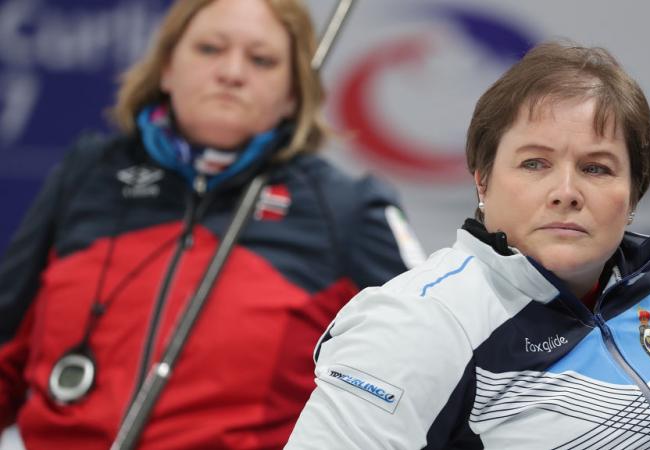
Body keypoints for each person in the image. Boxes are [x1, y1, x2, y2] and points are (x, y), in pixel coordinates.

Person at [0, 0, 423, 448]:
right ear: (166, 67)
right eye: (209, 49)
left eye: (261, 60)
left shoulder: (346, 207)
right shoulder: (88, 173)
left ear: (294, 93)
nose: (232, 73)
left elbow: (437, 365)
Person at [286, 41, 650, 449]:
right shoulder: (421, 320)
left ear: (634, 193)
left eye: (596, 168)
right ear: (483, 180)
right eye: (535, 163)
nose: (566, 191)